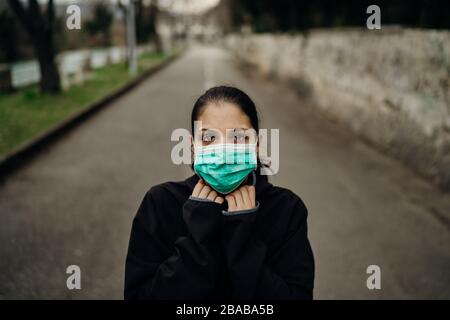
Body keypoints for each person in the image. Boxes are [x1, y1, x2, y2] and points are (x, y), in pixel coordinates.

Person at [124, 86, 315, 300]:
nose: (223, 151)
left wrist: (242, 238)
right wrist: (198, 235)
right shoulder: (160, 203)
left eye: (239, 137)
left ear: (257, 145)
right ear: (193, 147)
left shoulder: (286, 209)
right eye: (208, 138)